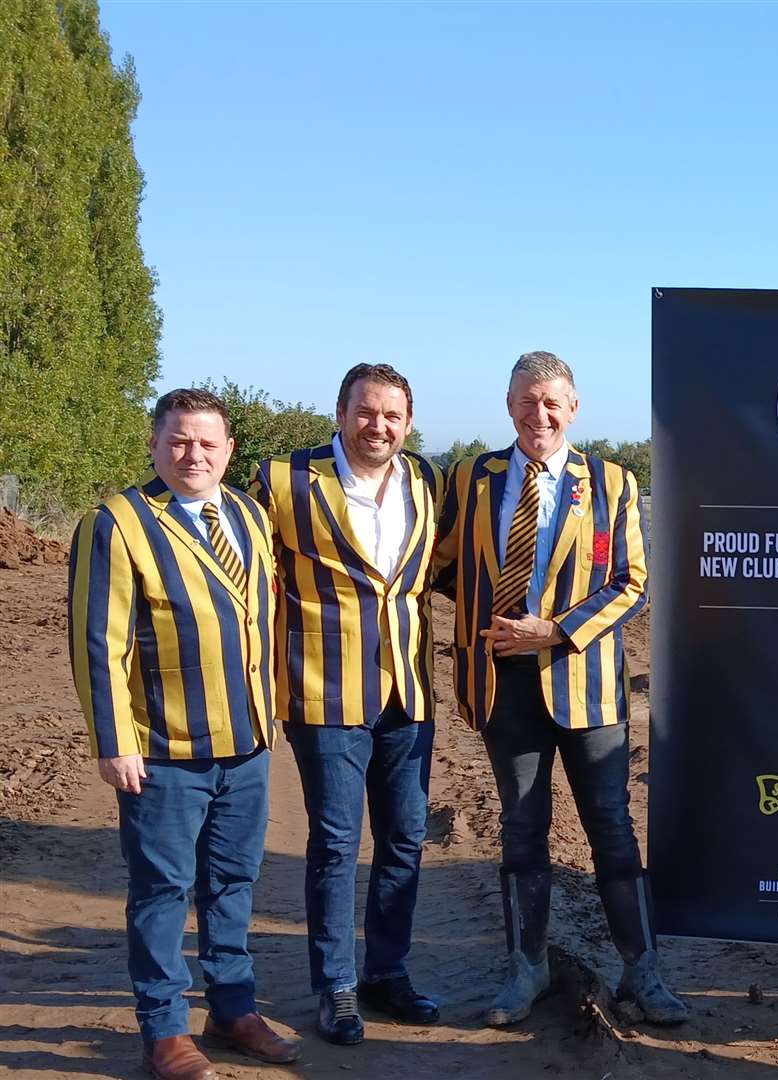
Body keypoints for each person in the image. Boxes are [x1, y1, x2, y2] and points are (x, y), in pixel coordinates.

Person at [432, 351, 686, 1027]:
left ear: (573, 407)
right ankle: (527, 969)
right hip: (501, 686)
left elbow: (631, 582)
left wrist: (552, 630)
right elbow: (440, 565)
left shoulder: (610, 480)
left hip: (587, 685)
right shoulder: (470, 478)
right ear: (507, 404)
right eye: (524, 400)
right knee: (521, 831)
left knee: (611, 830)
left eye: (550, 401)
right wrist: (492, 621)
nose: (537, 413)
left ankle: (643, 972)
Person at [69, 388, 301, 1080]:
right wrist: (114, 741)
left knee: (233, 882)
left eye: (207, 442)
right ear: (154, 445)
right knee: (163, 891)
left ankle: (232, 1010)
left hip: (247, 743)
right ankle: (164, 1031)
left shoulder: (251, 518)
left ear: (230, 451)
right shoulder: (117, 523)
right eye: (178, 441)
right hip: (165, 749)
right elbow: (96, 642)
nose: (193, 454)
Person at [250, 364, 445, 1044]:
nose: (379, 426)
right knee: (335, 843)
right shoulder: (284, 481)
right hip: (323, 690)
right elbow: (245, 576)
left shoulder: (427, 480)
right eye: (367, 411)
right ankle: (335, 985)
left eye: (392, 415)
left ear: (409, 422)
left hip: (407, 691)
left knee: (405, 838)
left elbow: (438, 573)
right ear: (340, 412)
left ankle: (387, 973)